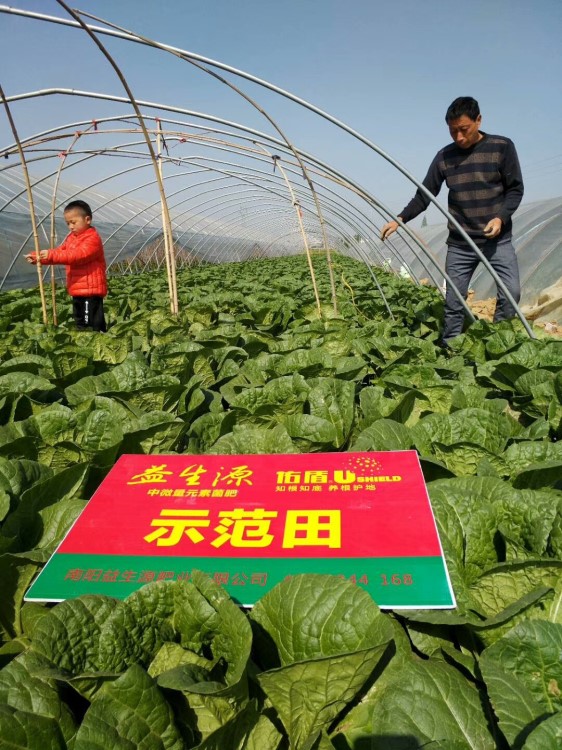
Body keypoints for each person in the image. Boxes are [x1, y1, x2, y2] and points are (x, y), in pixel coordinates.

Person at [380, 96, 524, 346]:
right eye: (452, 130)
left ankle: (500, 343)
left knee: (511, 292)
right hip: (460, 243)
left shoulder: (502, 147)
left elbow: (515, 190)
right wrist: (400, 219)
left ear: (478, 120)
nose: (458, 137)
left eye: (463, 129)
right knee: (454, 300)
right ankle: (451, 350)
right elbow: (425, 195)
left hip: (497, 241)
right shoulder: (444, 157)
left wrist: (500, 218)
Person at [26, 200, 107, 331]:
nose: (70, 226)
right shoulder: (71, 238)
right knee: (80, 320)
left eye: (73, 222)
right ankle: (85, 345)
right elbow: (60, 252)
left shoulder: (93, 239)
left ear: (87, 220)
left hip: (90, 290)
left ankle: (98, 343)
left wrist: (51, 255)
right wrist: (38, 257)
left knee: (91, 323)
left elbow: (77, 255)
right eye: (68, 223)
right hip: (77, 288)